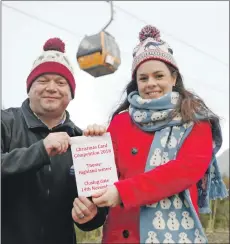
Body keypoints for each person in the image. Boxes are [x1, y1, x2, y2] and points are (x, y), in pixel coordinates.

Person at [73, 25, 228, 243]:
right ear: (135, 82)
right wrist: (94, 143)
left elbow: (183, 171)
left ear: (173, 78)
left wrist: (123, 193)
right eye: (143, 78)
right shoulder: (120, 122)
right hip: (121, 234)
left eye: (159, 76)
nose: (151, 83)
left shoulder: (195, 120)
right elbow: (103, 178)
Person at [1, 37, 107, 244]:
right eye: (42, 80)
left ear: (71, 94)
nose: (51, 88)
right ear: (29, 88)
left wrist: (92, 215)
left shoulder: (81, 140)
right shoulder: (5, 122)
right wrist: (40, 150)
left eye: (60, 82)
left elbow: (97, 212)